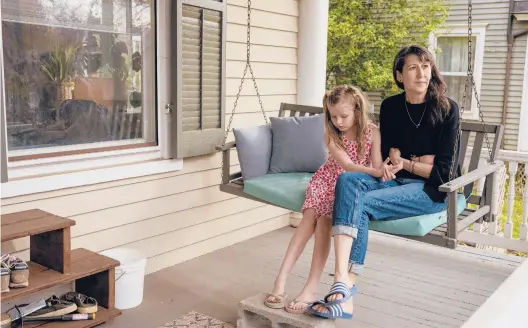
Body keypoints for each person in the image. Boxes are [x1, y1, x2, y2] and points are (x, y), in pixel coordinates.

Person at [307, 44, 461, 319]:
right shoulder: (391, 106)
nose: (421, 73)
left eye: (425, 66)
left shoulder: (447, 109)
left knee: (360, 204)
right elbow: (389, 154)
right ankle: (342, 279)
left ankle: (343, 288)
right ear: (400, 75)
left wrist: (410, 163)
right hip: (394, 181)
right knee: (348, 180)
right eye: (413, 67)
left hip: (429, 191)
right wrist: (416, 161)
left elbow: (443, 173)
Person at [264, 84, 400, 314]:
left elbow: (376, 165)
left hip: (351, 184)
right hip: (327, 178)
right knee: (308, 218)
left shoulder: (373, 132)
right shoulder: (331, 134)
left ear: (357, 110)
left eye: (343, 116)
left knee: (326, 220)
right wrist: (375, 172)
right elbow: (345, 165)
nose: (338, 121)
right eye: (333, 116)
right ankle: (280, 281)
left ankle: (311, 287)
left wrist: (384, 169)